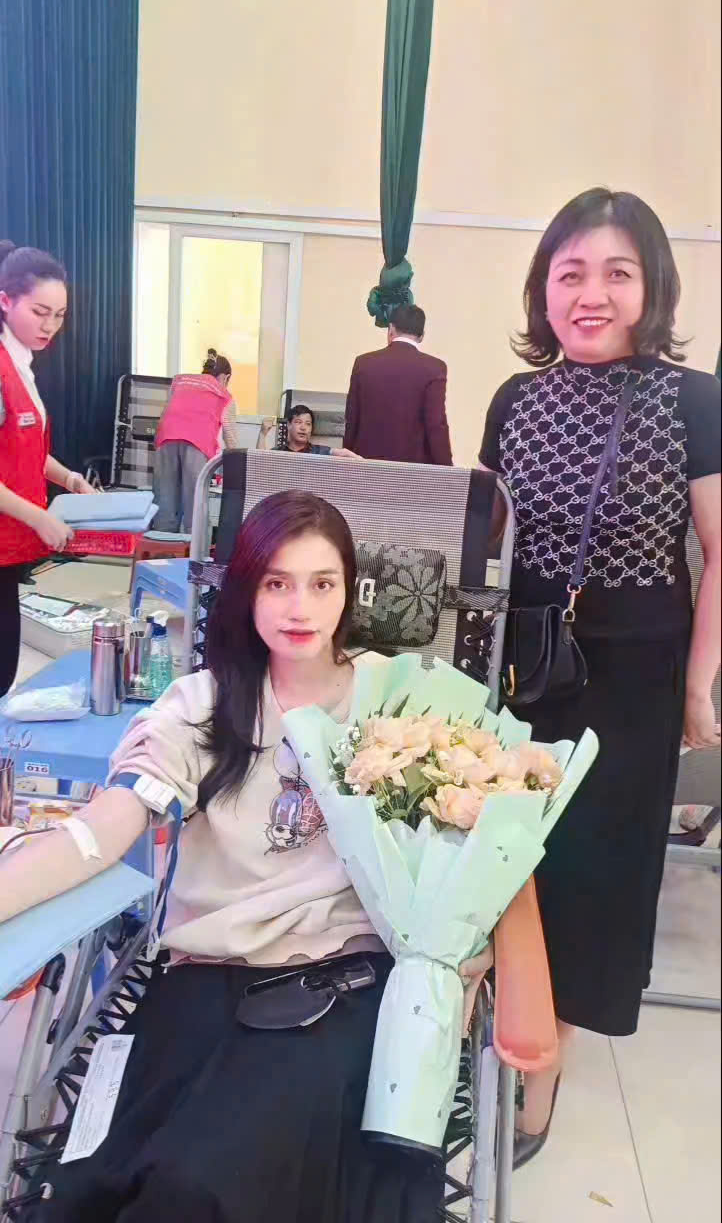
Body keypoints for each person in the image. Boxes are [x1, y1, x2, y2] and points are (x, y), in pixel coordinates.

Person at [0, 490, 489, 1221]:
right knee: (127, 1184)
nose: (300, 608)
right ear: (247, 591)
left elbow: (486, 837)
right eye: (276, 583)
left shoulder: (400, 707)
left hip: (344, 984)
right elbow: (102, 832)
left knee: (201, 1185)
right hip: (205, 980)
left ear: (350, 591)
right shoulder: (202, 706)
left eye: (322, 583)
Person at [479, 187, 721, 1165]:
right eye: (569, 272)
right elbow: (486, 543)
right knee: (505, 856)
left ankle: (542, 1065)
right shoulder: (514, 399)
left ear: (650, 285)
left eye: (616, 273)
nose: (590, 294)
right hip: (522, 662)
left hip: (633, 677)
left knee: (591, 872)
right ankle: (495, 1014)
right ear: (542, 289)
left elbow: (719, 550)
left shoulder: (692, 400)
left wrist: (699, 685)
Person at [0, 241, 96, 698]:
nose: (50, 326)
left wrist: (70, 480)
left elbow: (25, 451)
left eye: (59, 315)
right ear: (5, 300)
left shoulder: (21, 365)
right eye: (40, 312)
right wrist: (40, 517)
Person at [343, 304, 453, 465]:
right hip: (412, 469)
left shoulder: (363, 363)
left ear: (391, 329)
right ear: (421, 336)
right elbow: (435, 424)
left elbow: (352, 418)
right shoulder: (434, 368)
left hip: (366, 464)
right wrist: (447, 467)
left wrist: (347, 458)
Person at [153, 349, 240, 533]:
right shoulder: (224, 395)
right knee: (195, 509)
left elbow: (165, 415)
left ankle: (160, 547)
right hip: (197, 444)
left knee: (164, 504)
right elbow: (230, 437)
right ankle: (193, 549)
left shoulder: (180, 381)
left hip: (165, 439)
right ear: (226, 377)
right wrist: (238, 467)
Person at [257, 402, 359, 457]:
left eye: (308, 424)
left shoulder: (319, 452)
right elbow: (259, 462)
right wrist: (262, 434)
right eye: (298, 422)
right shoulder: (278, 453)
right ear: (289, 425)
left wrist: (364, 462)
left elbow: (344, 453)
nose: (303, 428)